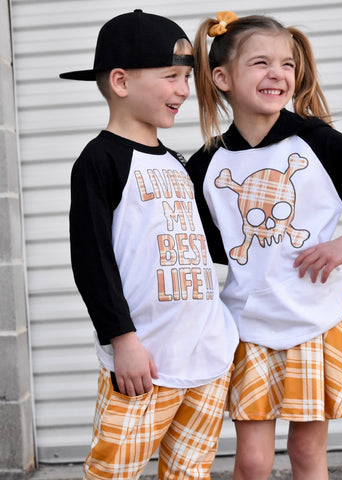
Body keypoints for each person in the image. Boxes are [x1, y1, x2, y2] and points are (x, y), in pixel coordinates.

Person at [186, 11, 342, 480]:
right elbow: (208, 244)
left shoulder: (316, 143)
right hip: (249, 327)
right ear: (222, 78)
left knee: (307, 453)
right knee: (252, 462)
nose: (278, 74)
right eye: (261, 63)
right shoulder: (208, 163)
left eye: (287, 64)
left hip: (314, 320)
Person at [60, 9, 239, 480]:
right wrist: (121, 339)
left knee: (190, 472)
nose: (184, 90)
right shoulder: (100, 161)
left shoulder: (177, 161)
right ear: (121, 81)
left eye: (187, 78)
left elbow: (198, 242)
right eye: (171, 77)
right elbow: (91, 259)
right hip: (145, 361)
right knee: (113, 471)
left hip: (206, 354)